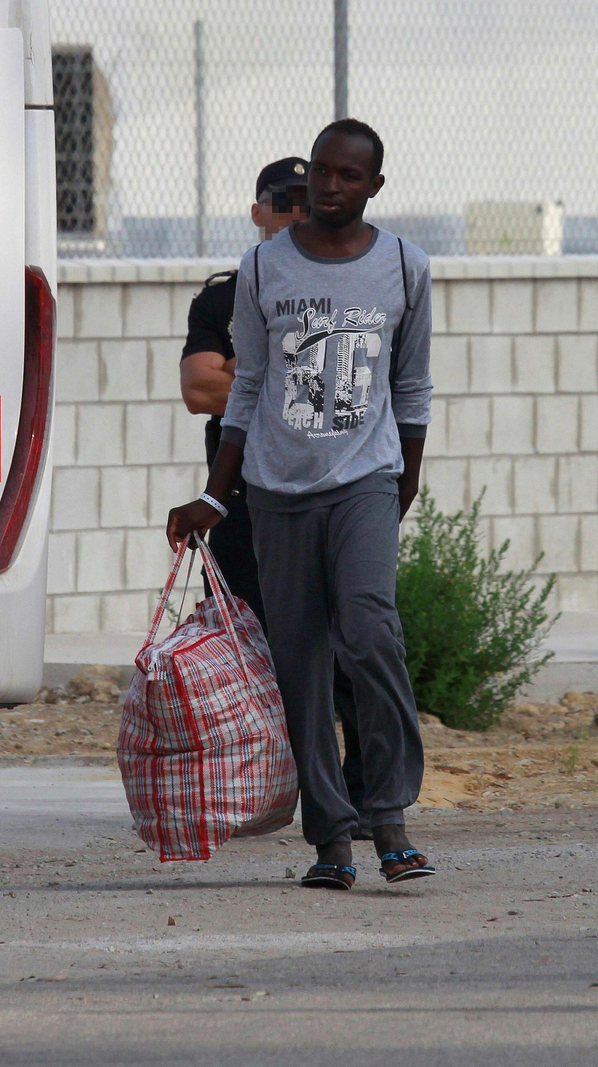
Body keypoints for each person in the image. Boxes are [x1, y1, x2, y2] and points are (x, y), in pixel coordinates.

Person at [167, 118, 435, 890]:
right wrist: (216, 496)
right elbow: (245, 389)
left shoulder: (405, 268)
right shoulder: (261, 268)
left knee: (371, 633)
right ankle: (331, 838)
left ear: (373, 186)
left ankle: (390, 814)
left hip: (366, 485)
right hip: (278, 492)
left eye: (349, 175)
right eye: (322, 170)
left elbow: (411, 387)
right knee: (303, 664)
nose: (329, 185)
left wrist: (402, 483)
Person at [179, 156, 374, 841]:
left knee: (348, 644)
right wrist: (286, 367)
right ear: (258, 211)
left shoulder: (349, 286)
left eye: (305, 198)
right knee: (249, 645)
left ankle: (358, 798)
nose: (296, 211)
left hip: (329, 490)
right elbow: (202, 388)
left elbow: (340, 379)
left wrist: (261, 369)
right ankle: (259, 788)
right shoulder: (225, 295)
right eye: (282, 200)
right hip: (242, 496)